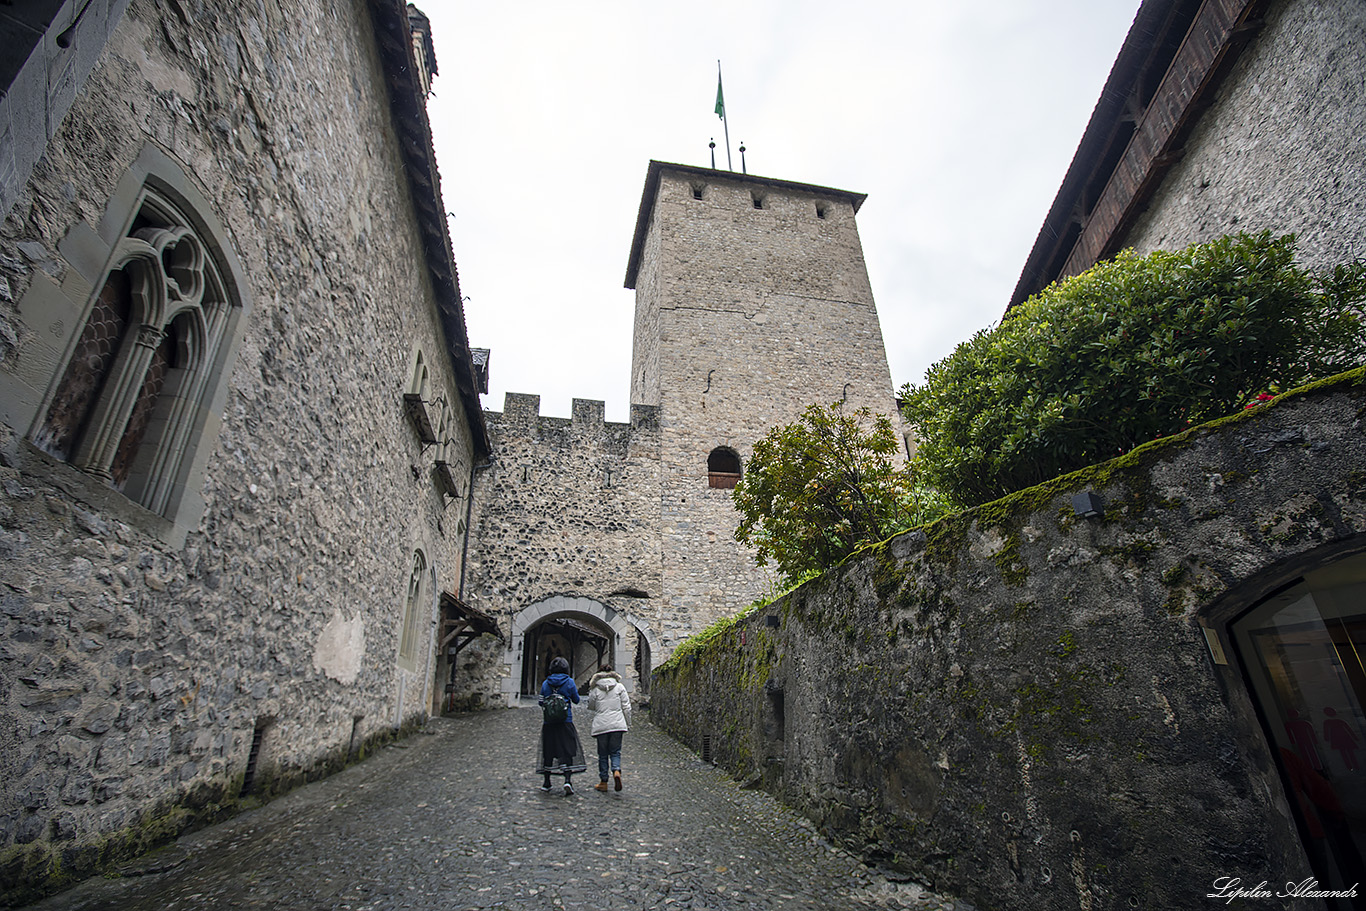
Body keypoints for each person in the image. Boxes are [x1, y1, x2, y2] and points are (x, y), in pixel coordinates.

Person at [536, 657, 585, 794]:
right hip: (565, 721)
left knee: (548, 752)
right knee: (567, 750)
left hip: (549, 723)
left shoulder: (546, 683)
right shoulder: (569, 682)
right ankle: (567, 781)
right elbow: (576, 700)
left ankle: (547, 782)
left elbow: (541, 702)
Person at [586, 664, 632, 792]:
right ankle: (616, 771)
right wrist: (628, 723)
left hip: (601, 725)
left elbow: (591, 705)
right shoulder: (619, 687)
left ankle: (603, 782)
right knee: (616, 752)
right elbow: (627, 707)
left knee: (603, 754)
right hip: (617, 724)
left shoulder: (595, 689)